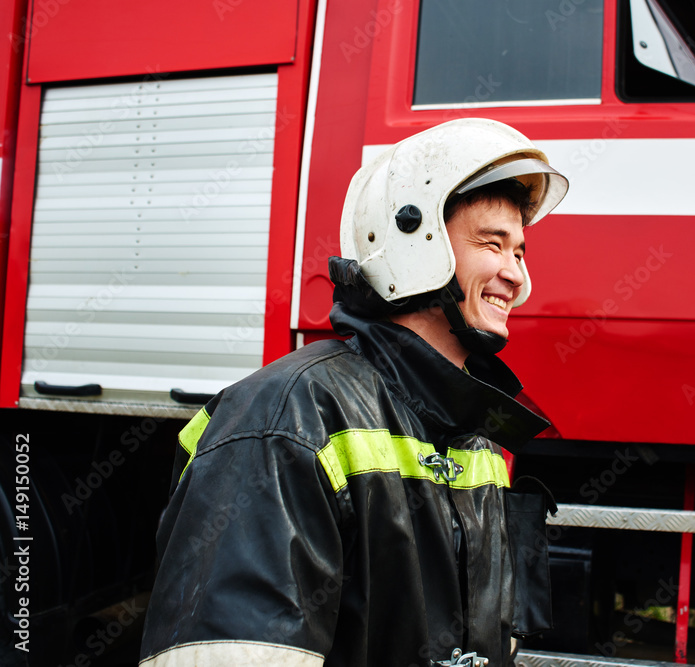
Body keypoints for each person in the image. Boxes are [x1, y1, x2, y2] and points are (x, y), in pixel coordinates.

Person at [139, 118, 568, 667]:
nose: (516, 276)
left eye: (520, 252)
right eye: (493, 244)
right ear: (416, 245)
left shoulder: (473, 437)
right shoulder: (287, 420)